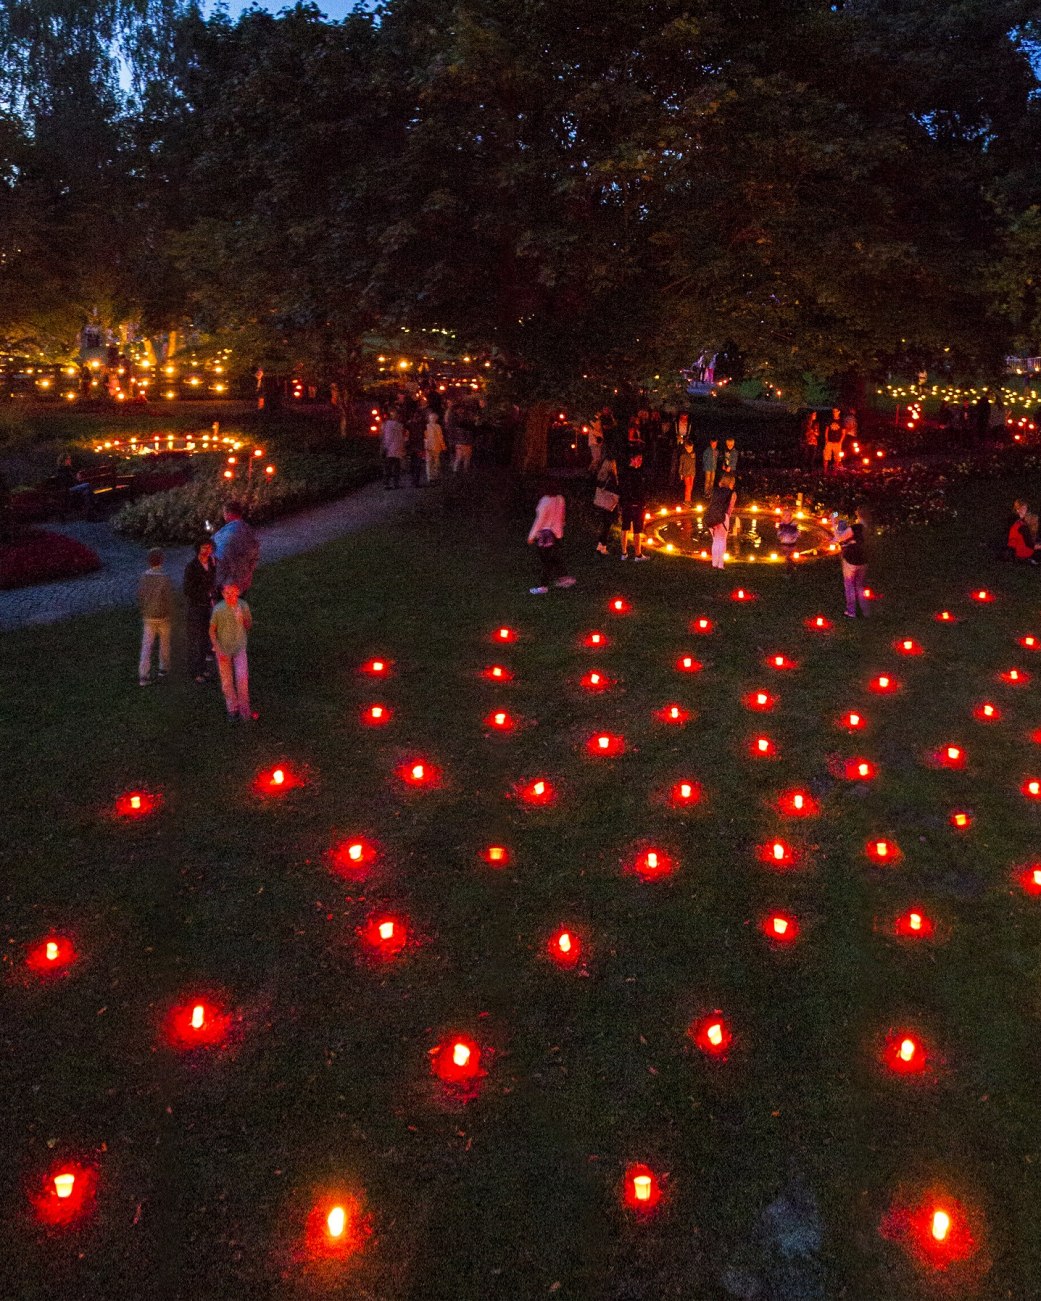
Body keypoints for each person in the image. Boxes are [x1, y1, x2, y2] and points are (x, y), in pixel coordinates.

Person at [210, 581, 254, 721]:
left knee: (242, 679)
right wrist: (217, 648)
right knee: (227, 681)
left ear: (238, 592)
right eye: (227, 593)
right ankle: (232, 709)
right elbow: (212, 631)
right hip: (223, 650)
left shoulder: (243, 606)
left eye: (233, 593)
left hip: (239, 647)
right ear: (223, 594)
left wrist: (244, 619)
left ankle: (244, 710)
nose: (230, 596)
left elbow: (248, 625)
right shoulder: (218, 610)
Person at [526, 485, 576, 593]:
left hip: (545, 536)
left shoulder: (545, 501)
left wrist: (531, 536)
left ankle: (543, 586)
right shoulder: (560, 499)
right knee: (555, 558)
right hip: (557, 534)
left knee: (546, 562)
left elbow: (540, 520)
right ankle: (564, 578)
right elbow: (562, 517)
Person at [183, 539, 218, 683]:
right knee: (197, 640)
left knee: (205, 639)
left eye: (209, 548)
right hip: (197, 607)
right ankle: (195, 671)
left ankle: (203, 668)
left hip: (208, 606)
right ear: (198, 549)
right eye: (204, 548)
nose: (207, 551)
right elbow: (188, 589)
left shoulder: (212, 563)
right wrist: (204, 594)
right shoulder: (192, 567)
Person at [138, 548, 173, 686]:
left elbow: (140, 595)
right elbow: (168, 598)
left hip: (149, 616)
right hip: (163, 616)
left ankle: (143, 675)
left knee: (146, 646)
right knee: (164, 643)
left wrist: (144, 609)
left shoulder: (144, 577)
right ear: (162, 560)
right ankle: (163, 668)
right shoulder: (165, 577)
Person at [213, 501, 260, 595]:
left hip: (228, 584)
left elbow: (219, 558)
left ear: (228, 513)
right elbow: (255, 555)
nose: (224, 516)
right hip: (243, 582)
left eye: (224, 513)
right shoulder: (248, 530)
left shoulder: (227, 535)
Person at [833, 506, 870, 618]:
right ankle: (866, 611)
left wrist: (833, 523)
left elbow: (839, 538)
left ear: (857, 513)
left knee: (849, 585)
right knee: (860, 585)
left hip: (851, 559)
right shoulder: (869, 528)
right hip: (864, 560)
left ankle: (851, 611)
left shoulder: (855, 528)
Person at [618, 448, 648, 560]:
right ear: (632, 459)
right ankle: (637, 554)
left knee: (625, 527)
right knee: (636, 530)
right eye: (638, 459)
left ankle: (624, 553)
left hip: (626, 504)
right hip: (635, 505)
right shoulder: (635, 473)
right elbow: (636, 490)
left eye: (641, 459)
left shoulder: (624, 472)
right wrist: (639, 502)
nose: (640, 461)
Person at [704, 473, 736, 569]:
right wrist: (726, 518)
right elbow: (730, 508)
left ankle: (714, 563)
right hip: (722, 518)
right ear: (731, 482)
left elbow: (712, 503)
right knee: (722, 541)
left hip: (710, 517)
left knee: (715, 541)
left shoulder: (715, 490)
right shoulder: (732, 493)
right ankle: (720, 565)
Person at [593, 455, 619, 554]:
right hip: (608, 505)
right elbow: (614, 491)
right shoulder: (611, 476)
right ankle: (602, 547)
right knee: (606, 527)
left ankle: (601, 546)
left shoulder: (601, 475)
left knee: (604, 525)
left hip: (600, 503)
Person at [380, 411, 407, 488]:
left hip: (390, 450)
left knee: (388, 467)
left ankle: (386, 484)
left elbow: (387, 438)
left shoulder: (387, 425)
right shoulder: (400, 425)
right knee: (396, 468)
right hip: (398, 449)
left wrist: (385, 447)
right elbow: (402, 437)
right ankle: (396, 483)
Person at [424, 410, 446, 482]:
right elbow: (425, 437)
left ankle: (435, 476)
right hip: (430, 446)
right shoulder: (426, 426)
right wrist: (426, 446)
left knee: (436, 462)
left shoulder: (438, 426)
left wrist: (443, 446)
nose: (433, 419)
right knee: (429, 462)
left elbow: (440, 437)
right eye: (431, 418)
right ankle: (430, 477)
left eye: (434, 418)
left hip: (436, 446)